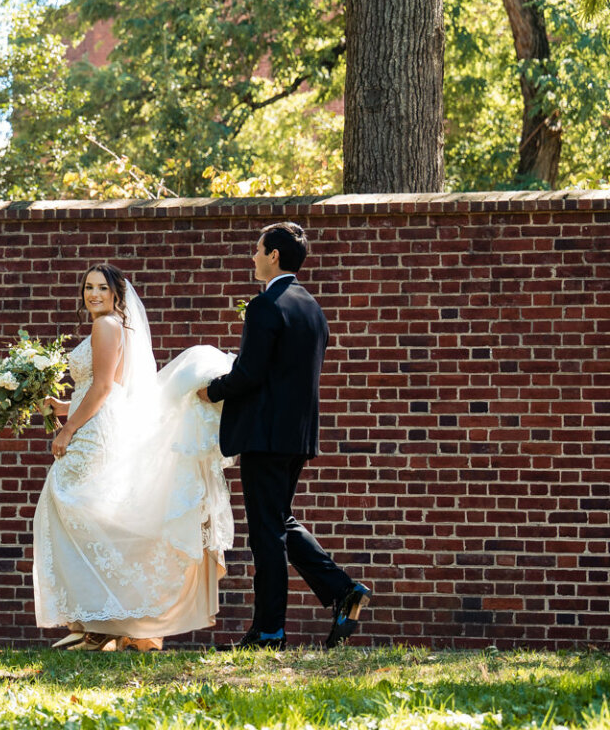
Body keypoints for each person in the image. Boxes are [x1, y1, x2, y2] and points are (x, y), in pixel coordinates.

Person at [33, 264, 236, 651]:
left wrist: (68, 429)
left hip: (94, 430)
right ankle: (106, 620)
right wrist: (61, 406)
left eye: (101, 288)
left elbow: (105, 387)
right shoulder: (114, 326)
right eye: (87, 287)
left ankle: (104, 620)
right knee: (93, 514)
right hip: (98, 419)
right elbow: (109, 385)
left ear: (116, 294)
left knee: (69, 507)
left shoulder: (106, 325)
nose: (93, 294)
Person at [198, 222, 372, 650]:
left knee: (266, 534)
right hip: (297, 437)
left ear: (274, 255)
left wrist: (210, 390)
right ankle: (343, 591)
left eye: (257, 250)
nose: (252, 257)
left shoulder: (266, 305)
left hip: (264, 436)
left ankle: (270, 629)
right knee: (278, 522)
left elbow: (249, 374)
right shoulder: (312, 308)